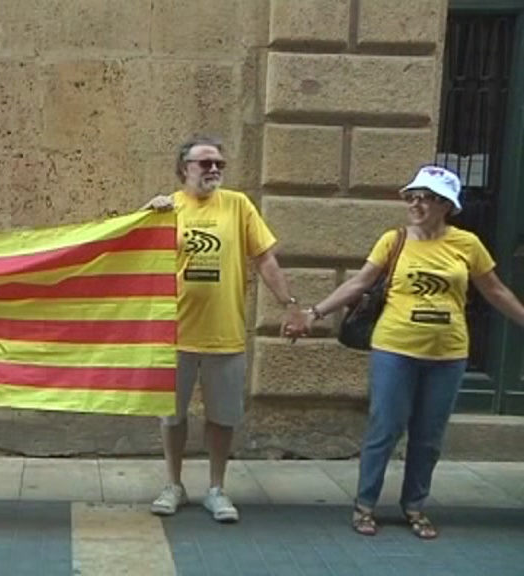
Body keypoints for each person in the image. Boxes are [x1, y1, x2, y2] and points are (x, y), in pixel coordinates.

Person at [285, 166, 524, 539]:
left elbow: (495, 291)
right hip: (395, 348)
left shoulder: (467, 244)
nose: (414, 203)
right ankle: (365, 505)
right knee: (385, 427)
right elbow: (360, 283)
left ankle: (415, 506)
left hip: (449, 353)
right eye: (411, 196)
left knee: (428, 436)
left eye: (424, 197)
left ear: (446, 205)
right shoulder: (393, 240)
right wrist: (315, 313)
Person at [143, 136, 301, 523]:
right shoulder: (168, 208)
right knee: (172, 416)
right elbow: (133, 256)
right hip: (174, 334)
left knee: (223, 416)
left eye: (219, 164)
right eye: (205, 163)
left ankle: (216, 488)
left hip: (225, 332)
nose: (214, 169)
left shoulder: (237, 206)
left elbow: (264, 259)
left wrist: (290, 304)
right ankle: (173, 484)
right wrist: (145, 215)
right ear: (184, 169)